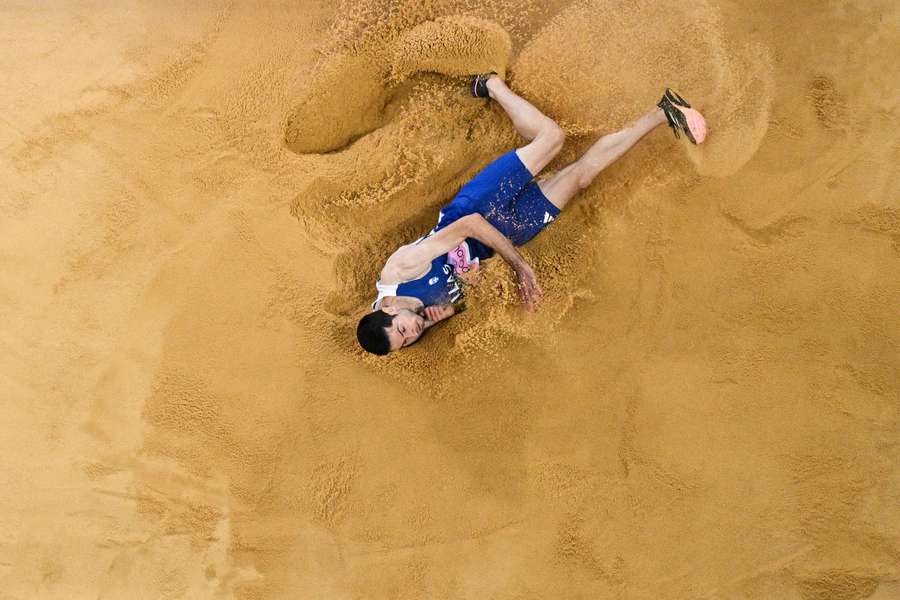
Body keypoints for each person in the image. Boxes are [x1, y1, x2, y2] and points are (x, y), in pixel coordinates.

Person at [356, 74, 707, 355]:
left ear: (388, 309)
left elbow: (469, 226)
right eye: (407, 341)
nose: (414, 331)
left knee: (552, 137)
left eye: (403, 330)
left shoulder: (400, 270)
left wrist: (520, 267)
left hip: (478, 207)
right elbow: (459, 293)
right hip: (508, 233)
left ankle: (490, 84)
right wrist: (454, 306)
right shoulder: (416, 319)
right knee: (580, 177)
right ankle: (663, 111)